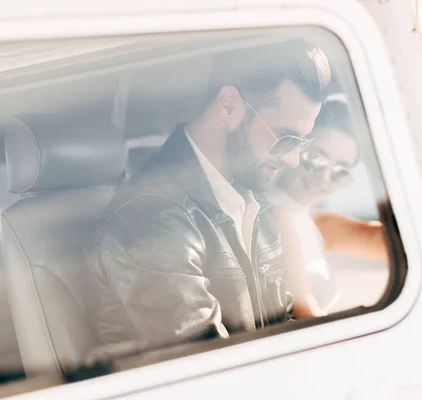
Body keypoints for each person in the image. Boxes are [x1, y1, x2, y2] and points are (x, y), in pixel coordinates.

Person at [88, 41, 331, 352]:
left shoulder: (254, 202)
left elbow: (279, 327)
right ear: (229, 106)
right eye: (285, 138)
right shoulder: (150, 219)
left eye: (302, 142)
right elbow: (212, 365)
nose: (293, 160)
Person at [268, 98, 388, 318]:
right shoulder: (274, 214)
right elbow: (305, 316)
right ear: (294, 146)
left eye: (341, 170)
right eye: (316, 158)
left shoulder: (307, 219)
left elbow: (383, 240)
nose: (323, 178)